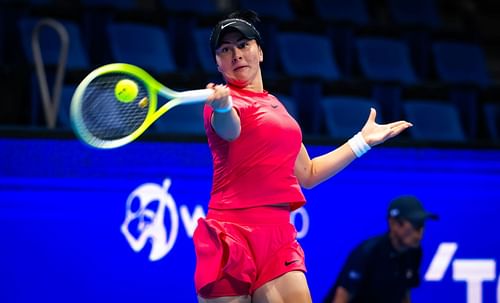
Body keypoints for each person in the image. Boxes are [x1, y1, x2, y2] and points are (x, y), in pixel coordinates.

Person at [193, 9, 413, 303]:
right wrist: (221, 107)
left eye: (244, 45)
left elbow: (307, 173)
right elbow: (230, 129)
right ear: (218, 63)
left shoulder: (277, 108)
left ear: (260, 52)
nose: (236, 54)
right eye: (225, 49)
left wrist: (362, 141)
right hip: (231, 233)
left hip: (278, 235)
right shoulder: (219, 106)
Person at [323, 195, 439, 303]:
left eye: (422, 225)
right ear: (393, 223)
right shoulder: (368, 252)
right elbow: (342, 296)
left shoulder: (415, 253)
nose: (419, 233)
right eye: (415, 224)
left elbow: (405, 293)